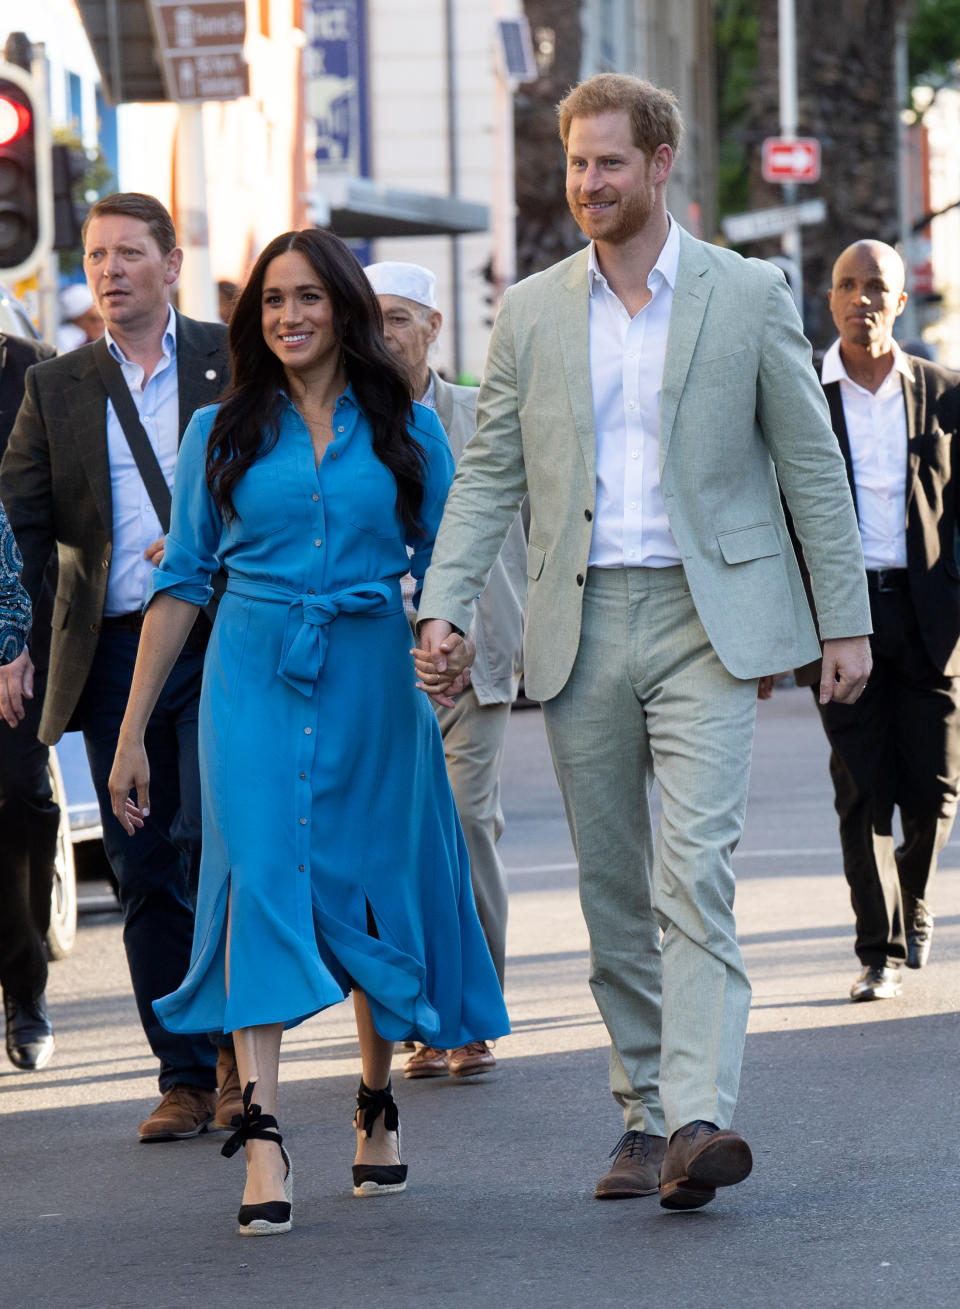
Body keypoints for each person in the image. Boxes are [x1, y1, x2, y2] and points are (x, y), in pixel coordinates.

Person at [414, 72, 872, 1212]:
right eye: (576, 164)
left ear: (660, 163)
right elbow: (490, 476)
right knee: (613, 886)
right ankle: (643, 1115)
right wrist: (445, 602)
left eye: (609, 162)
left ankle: (701, 1112)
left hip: (705, 621)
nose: (589, 183)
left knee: (695, 873)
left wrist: (843, 620)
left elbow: (810, 461)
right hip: (579, 621)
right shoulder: (530, 310)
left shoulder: (746, 290)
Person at [107, 228, 509, 1238]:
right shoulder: (220, 430)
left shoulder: (409, 428)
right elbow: (183, 579)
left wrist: (447, 641)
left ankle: (375, 1099)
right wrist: (130, 733)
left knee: (373, 889)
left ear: (344, 311)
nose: (289, 317)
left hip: (375, 677)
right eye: (272, 301)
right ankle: (269, 1129)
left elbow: (449, 564)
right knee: (257, 881)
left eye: (308, 300)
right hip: (250, 674)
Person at [0, 193, 240, 1140]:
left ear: (172, 265)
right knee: (142, 858)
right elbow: (15, 521)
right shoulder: (57, 386)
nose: (109, 271)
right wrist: (10, 636)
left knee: (218, 846)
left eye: (130, 254)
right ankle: (181, 1070)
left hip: (225, 639)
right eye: (97, 255)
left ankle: (235, 1056)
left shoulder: (232, 358)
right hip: (111, 656)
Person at [365, 259, 525, 1080]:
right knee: (389, 839)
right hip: (370, 662)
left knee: (464, 826)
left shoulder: (484, 416)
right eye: (372, 316)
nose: (382, 332)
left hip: (473, 659)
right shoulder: (340, 421)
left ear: (433, 326)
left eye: (398, 317)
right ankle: (413, 1007)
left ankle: (469, 1010)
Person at [804, 240, 960, 1002]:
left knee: (934, 788)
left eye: (877, 287)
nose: (861, 298)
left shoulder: (946, 392)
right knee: (864, 789)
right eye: (847, 285)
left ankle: (916, 897)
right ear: (829, 298)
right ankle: (882, 949)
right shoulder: (799, 393)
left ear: (902, 302)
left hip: (933, 618)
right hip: (840, 620)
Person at [0, 329, 58, 1072]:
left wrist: (22, 641)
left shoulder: (34, 370)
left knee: (18, 796)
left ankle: (25, 982)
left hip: (13, 631)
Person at [57, 283, 103, 353]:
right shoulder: (64, 339)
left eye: (104, 318)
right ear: (75, 321)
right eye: (94, 319)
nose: (102, 325)